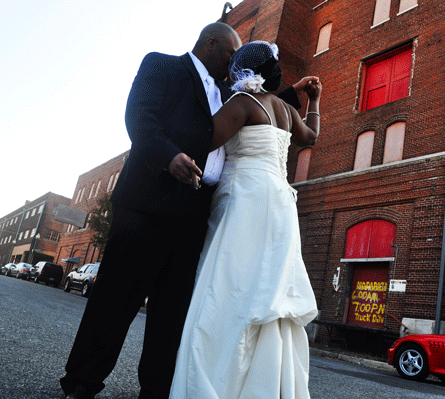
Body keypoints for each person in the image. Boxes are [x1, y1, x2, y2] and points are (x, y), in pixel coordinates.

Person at [60, 22, 318, 399]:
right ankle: (82, 382)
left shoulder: (233, 91)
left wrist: (294, 93)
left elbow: (261, 110)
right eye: (230, 54)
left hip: (197, 214)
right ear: (209, 43)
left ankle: (157, 389)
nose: (234, 65)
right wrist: (168, 157)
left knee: (173, 313)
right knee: (116, 300)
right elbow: (140, 118)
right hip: (149, 205)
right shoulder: (163, 67)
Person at [170, 41, 321, 399]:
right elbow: (311, 137)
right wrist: (313, 100)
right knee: (266, 287)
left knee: (228, 285)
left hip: (245, 197)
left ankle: (217, 378)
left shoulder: (243, 104)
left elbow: (204, 138)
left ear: (242, 70)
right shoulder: (286, 108)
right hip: (280, 202)